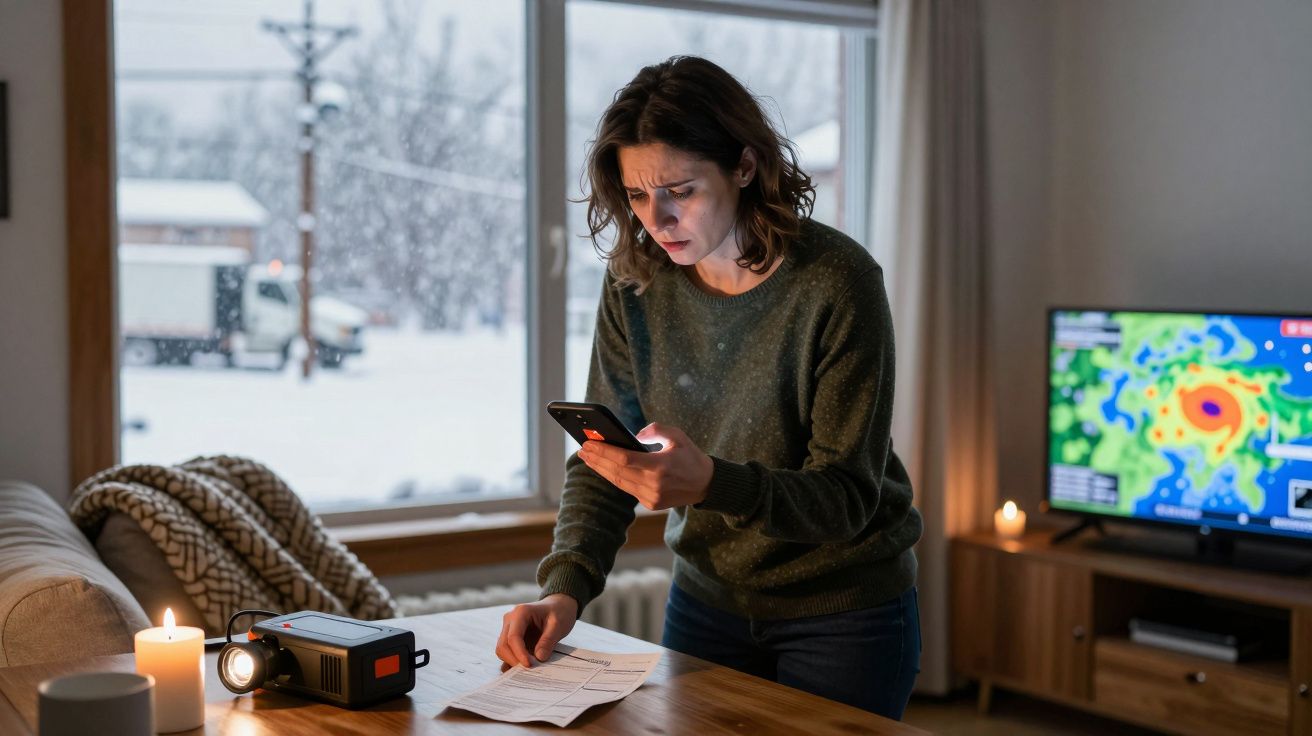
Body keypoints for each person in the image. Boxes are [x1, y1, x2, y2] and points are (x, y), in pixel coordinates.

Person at [494, 55, 923, 720]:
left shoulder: (838, 282)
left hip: (844, 615)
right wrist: (564, 591)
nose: (656, 219)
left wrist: (711, 483)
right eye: (637, 196)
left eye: (680, 190)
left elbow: (847, 499)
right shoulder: (635, 280)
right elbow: (607, 458)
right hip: (705, 602)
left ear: (745, 168)